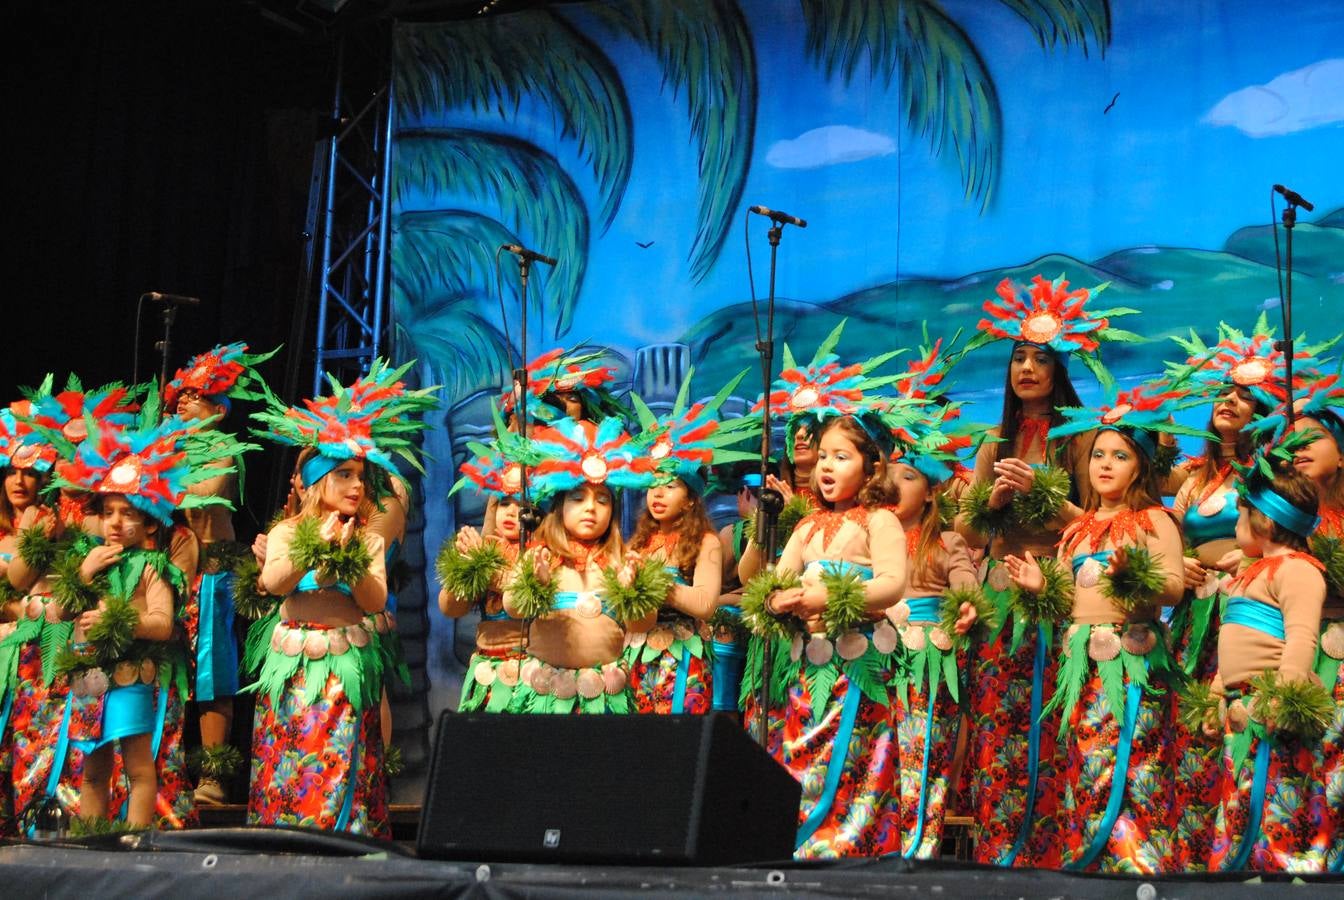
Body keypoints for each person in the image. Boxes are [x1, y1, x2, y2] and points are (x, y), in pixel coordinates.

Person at [957, 274, 1133, 867]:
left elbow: (1100, 522)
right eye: (1017, 358)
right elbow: (969, 533)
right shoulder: (994, 441)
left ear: (1060, 370)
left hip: (1062, 588)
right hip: (1002, 592)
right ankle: (999, 848)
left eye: (1040, 358)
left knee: (1059, 714)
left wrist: (1051, 503)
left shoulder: (1082, 441)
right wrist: (996, 505)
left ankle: (1062, 847)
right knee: (999, 715)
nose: (1026, 368)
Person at [1004, 381, 1193, 874]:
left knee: (1135, 760)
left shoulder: (1156, 520)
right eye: (1098, 455)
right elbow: (1067, 598)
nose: (1104, 464)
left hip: (1134, 656)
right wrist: (1039, 587)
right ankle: (1087, 864)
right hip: (1080, 661)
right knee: (1085, 760)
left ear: (1142, 467)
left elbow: (1173, 587)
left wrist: (1134, 579)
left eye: (1120, 456)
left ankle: (1138, 868)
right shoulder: (1077, 529)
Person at [244, 359, 434, 836]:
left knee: (346, 756)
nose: (355, 486)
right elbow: (276, 583)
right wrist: (315, 550)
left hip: (345, 661)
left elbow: (372, 601)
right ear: (317, 483)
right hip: (294, 667)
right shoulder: (288, 532)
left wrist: (348, 557)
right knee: (292, 753)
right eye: (344, 475)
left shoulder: (367, 538)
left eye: (360, 477)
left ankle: (348, 839)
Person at [741, 375, 917, 858]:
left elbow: (891, 584)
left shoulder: (880, 521)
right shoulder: (806, 525)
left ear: (872, 466)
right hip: (808, 668)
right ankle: (797, 849)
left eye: (841, 457)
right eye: (822, 456)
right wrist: (776, 600)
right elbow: (775, 581)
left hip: (858, 666)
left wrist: (824, 597)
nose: (825, 466)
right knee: (800, 757)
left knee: (860, 763)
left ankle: (853, 854)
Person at [1199, 453, 1333, 872]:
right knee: (1241, 795)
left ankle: (1285, 871)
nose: (1234, 524)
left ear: (1267, 522)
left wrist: (1285, 696)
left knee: (1277, 796)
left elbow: (1301, 638)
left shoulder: (1299, 571)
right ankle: (1241, 868)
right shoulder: (1251, 572)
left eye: (1242, 514)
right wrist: (1218, 687)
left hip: (1273, 707)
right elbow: (1234, 639)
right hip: (1244, 707)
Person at [163, 342, 272, 805]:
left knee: (212, 673)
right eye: (179, 396)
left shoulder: (225, 451)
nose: (182, 402)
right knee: (165, 669)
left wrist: (158, 466)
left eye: (194, 395)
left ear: (218, 408)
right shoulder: (166, 450)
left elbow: (203, 494)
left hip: (213, 570)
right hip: (169, 572)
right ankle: (160, 765)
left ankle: (214, 775)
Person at [499, 417, 660, 714]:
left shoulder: (621, 561)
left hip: (603, 697)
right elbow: (512, 606)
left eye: (602, 500)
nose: (591, 508)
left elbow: (644, 624)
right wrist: (536, 584)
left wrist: (632, 592)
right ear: (560, 507)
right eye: (578, 498)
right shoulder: (540, 555)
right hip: (546, 697)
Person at [624, 375, 754, 714]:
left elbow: (705, 604)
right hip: (635, 652)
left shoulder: (706, 542)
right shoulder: (639, 542)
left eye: (670, 486)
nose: (658, 493)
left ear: (690, 499)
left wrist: (654, 584)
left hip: (685, 656)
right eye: (653, 486)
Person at [438, 446, 526, 713]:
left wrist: (487, 569)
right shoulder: (485, 546)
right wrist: (468, 566)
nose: (511, 512)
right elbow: (450, 608)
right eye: (504, 503)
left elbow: (523, 599)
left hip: (529, 669)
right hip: (486, 665)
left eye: (521, 504)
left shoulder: (541, 551)